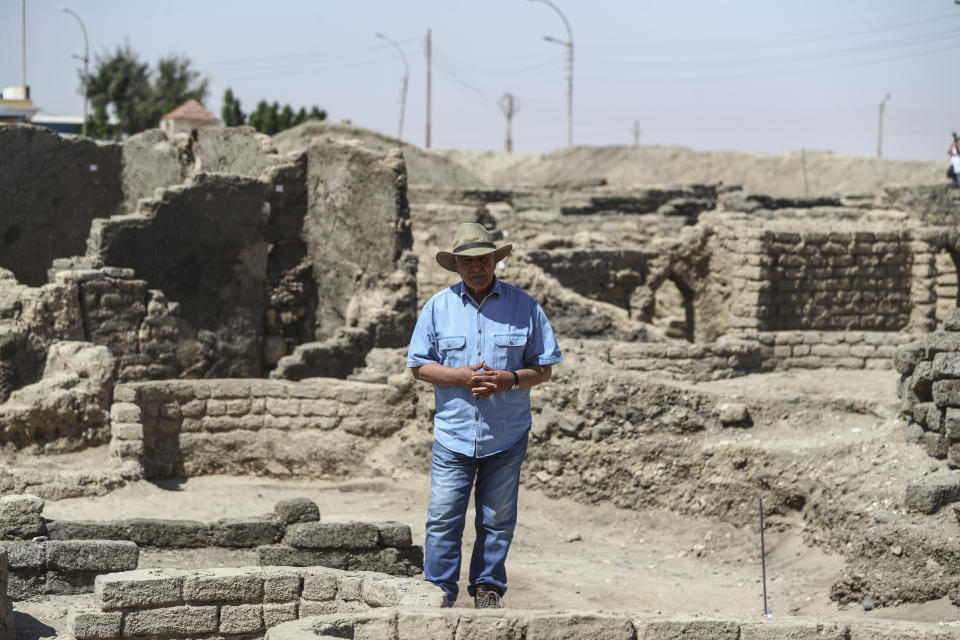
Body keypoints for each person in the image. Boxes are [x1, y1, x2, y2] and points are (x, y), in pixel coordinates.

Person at [406, 222, 563, 608]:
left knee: (496, 520)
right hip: (454, 434)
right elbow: (418, 366)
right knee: (443, 519)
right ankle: (438, 592)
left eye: (485, 260)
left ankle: (488, 588)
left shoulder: (525, 306)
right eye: (469, 262)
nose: (478, 268)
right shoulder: (437, 308)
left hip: (506, 435)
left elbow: (544, 369)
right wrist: (460, 377)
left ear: (496, 261)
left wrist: (508, 379)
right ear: (456, 266)